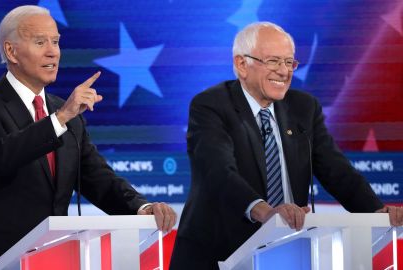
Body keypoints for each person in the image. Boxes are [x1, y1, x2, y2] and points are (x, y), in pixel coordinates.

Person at [0, 5, 177, 270]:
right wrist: (59, 119)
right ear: (11, 51)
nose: (53, 51)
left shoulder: (66, 114)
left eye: (56, 42)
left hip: (51, 260)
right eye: (40, 42)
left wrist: (142, 207)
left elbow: (98, 179)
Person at [169, 21, 403, 269]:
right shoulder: (211, 105)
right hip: (216, 252)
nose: (284, 71)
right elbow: (217, 170)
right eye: (273, 61)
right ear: (241, 65)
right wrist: (265, 212)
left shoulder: (304, 107)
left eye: (289, 62)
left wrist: (375, 211)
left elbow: (336, 170)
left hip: (288, 252)